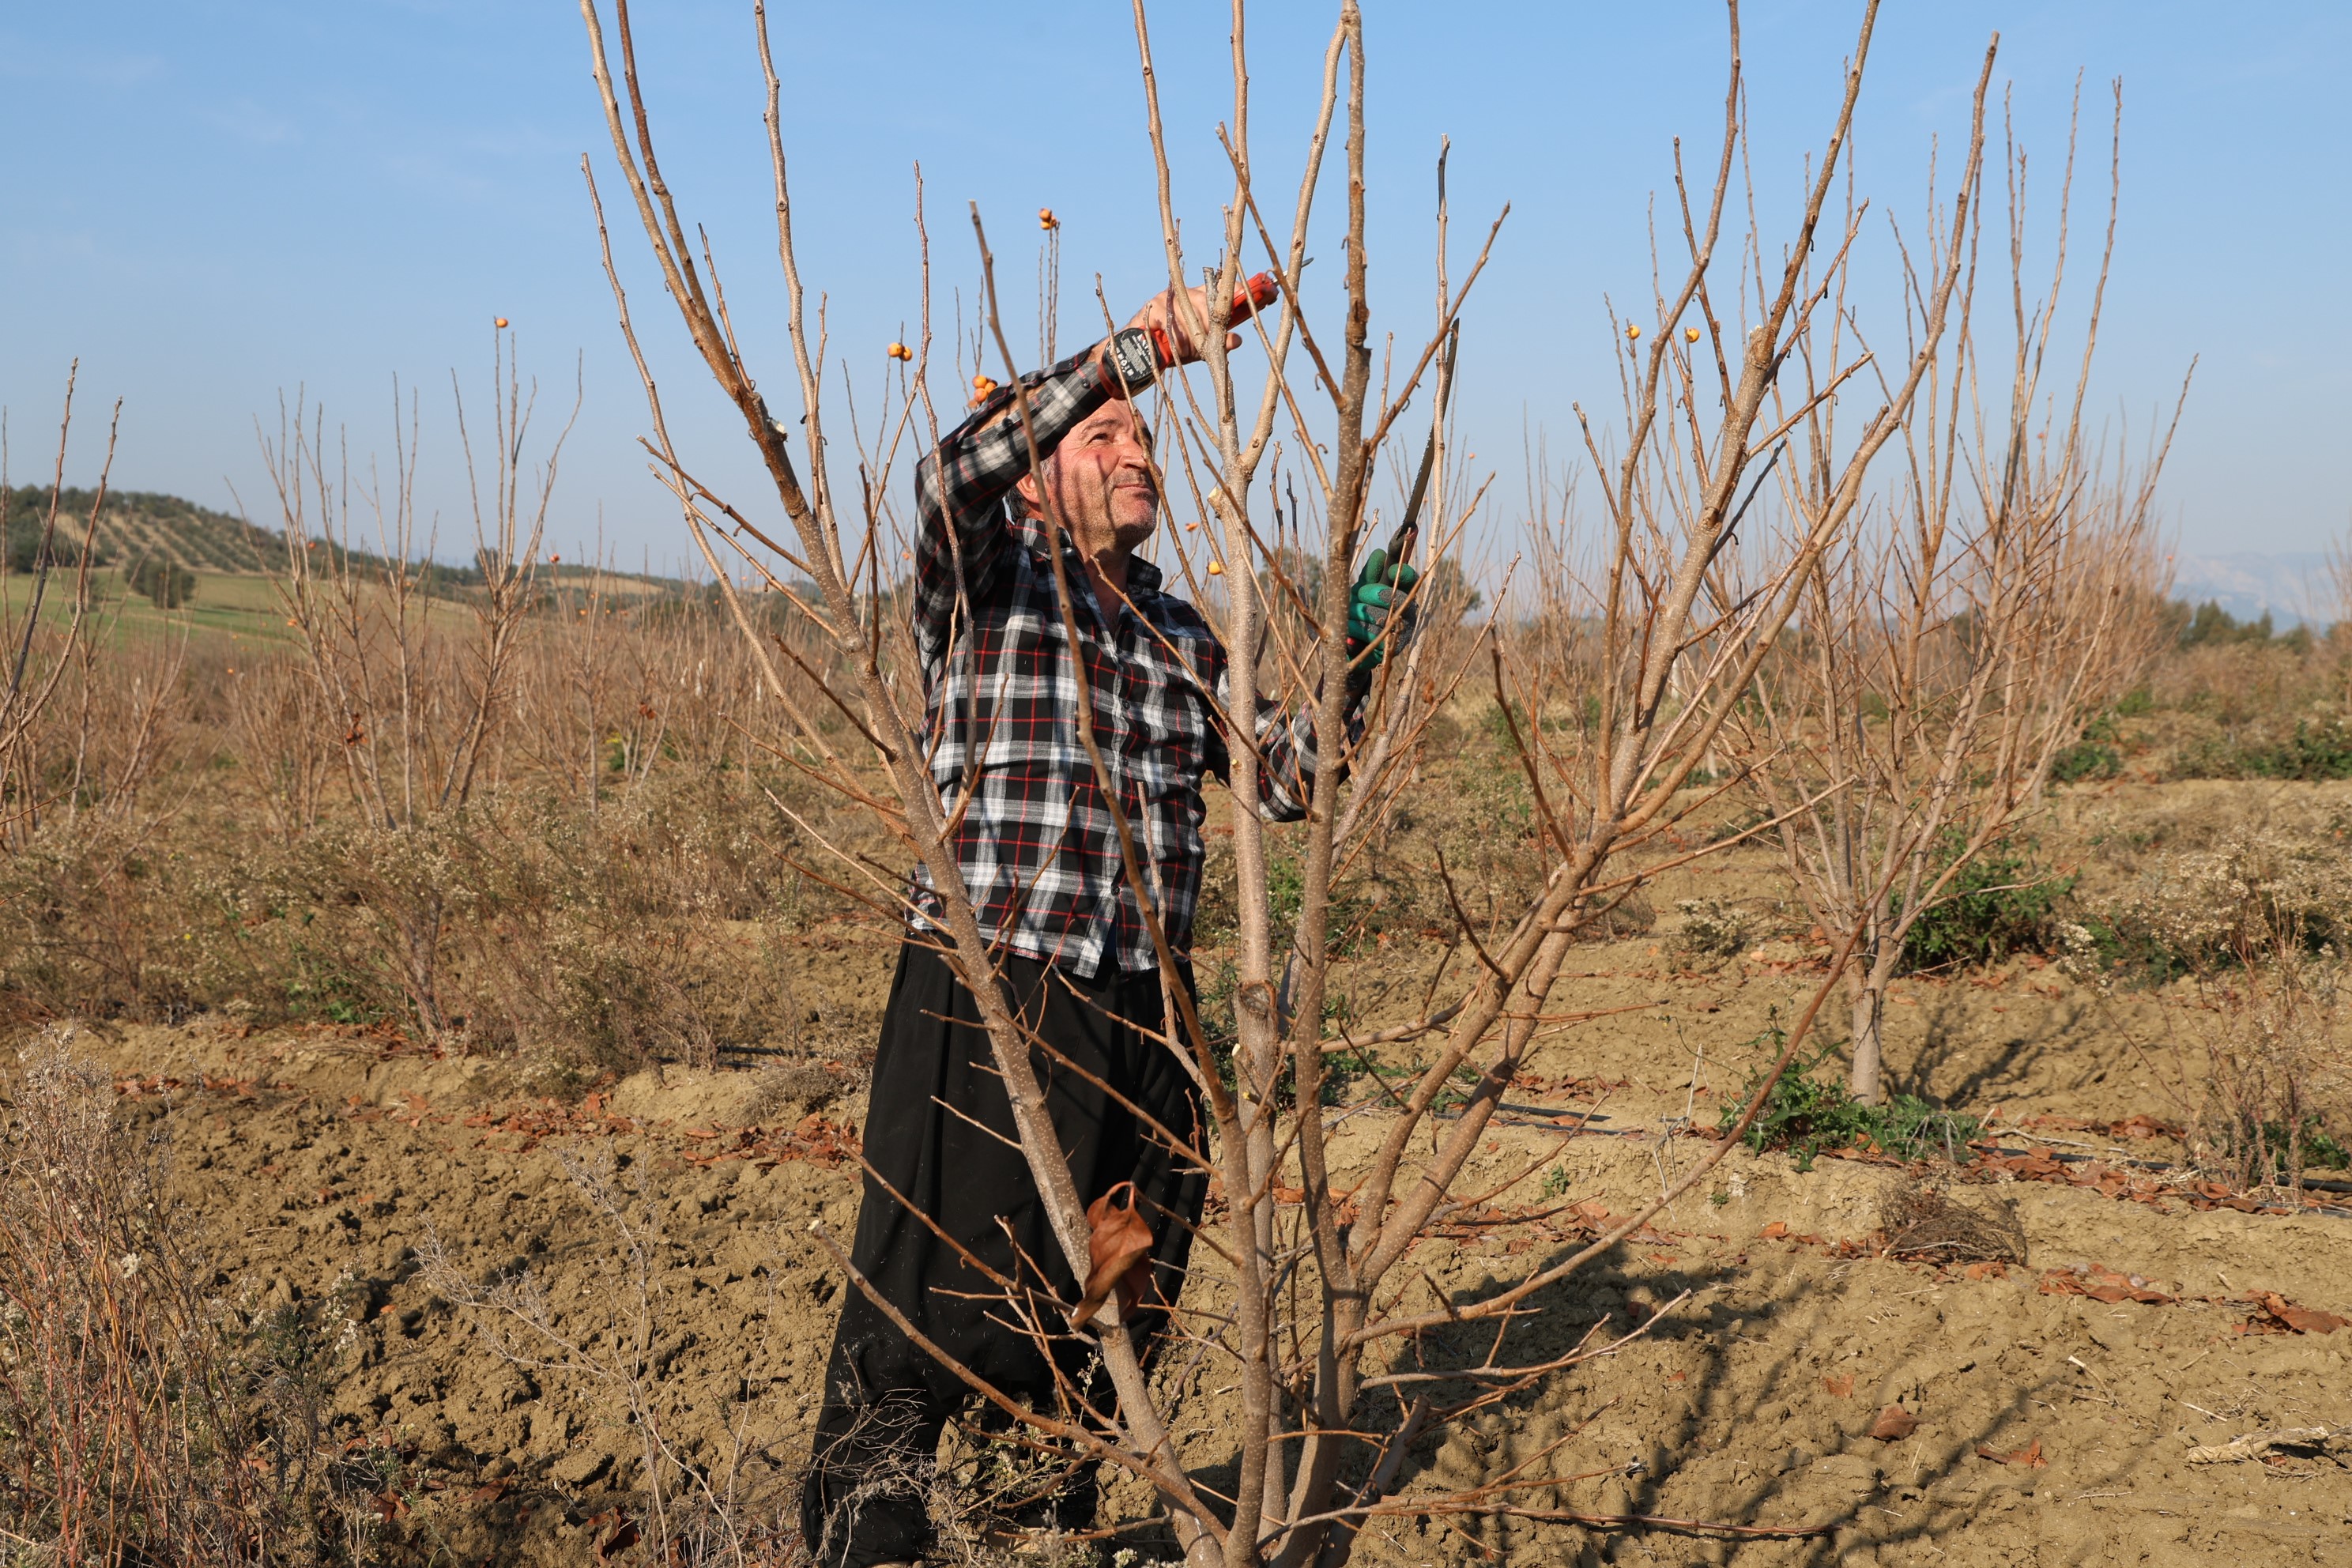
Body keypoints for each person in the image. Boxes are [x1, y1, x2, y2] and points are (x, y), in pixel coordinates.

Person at [800, 286, 1415, 1568]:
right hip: (990, 994)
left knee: (1105, 1329)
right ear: (1040, 476)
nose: (1140, 450)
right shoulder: (987, 581)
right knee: (919, 1315)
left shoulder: (1181, 635)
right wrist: (1139, 353)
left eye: (1147, 437)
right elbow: (951, 470)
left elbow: (1289, 780)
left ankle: (1045, 1530)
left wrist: (1361, 651)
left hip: (1146, 1021)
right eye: (1106, 437)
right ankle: (872, 1538)